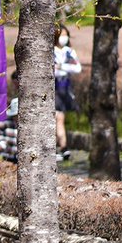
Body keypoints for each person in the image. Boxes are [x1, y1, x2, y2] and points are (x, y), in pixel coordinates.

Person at [54, 26, 82, 156]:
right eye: (61, 35)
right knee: (56, 118)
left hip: (64, 88)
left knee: (60, 118)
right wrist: (63, 68)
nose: (63, 38)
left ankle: (63, 147)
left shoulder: (69, 51)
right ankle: (62, 147)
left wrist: (61, 66)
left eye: (66, 35)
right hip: (53, 88)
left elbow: (77, 68)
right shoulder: (50, 51)